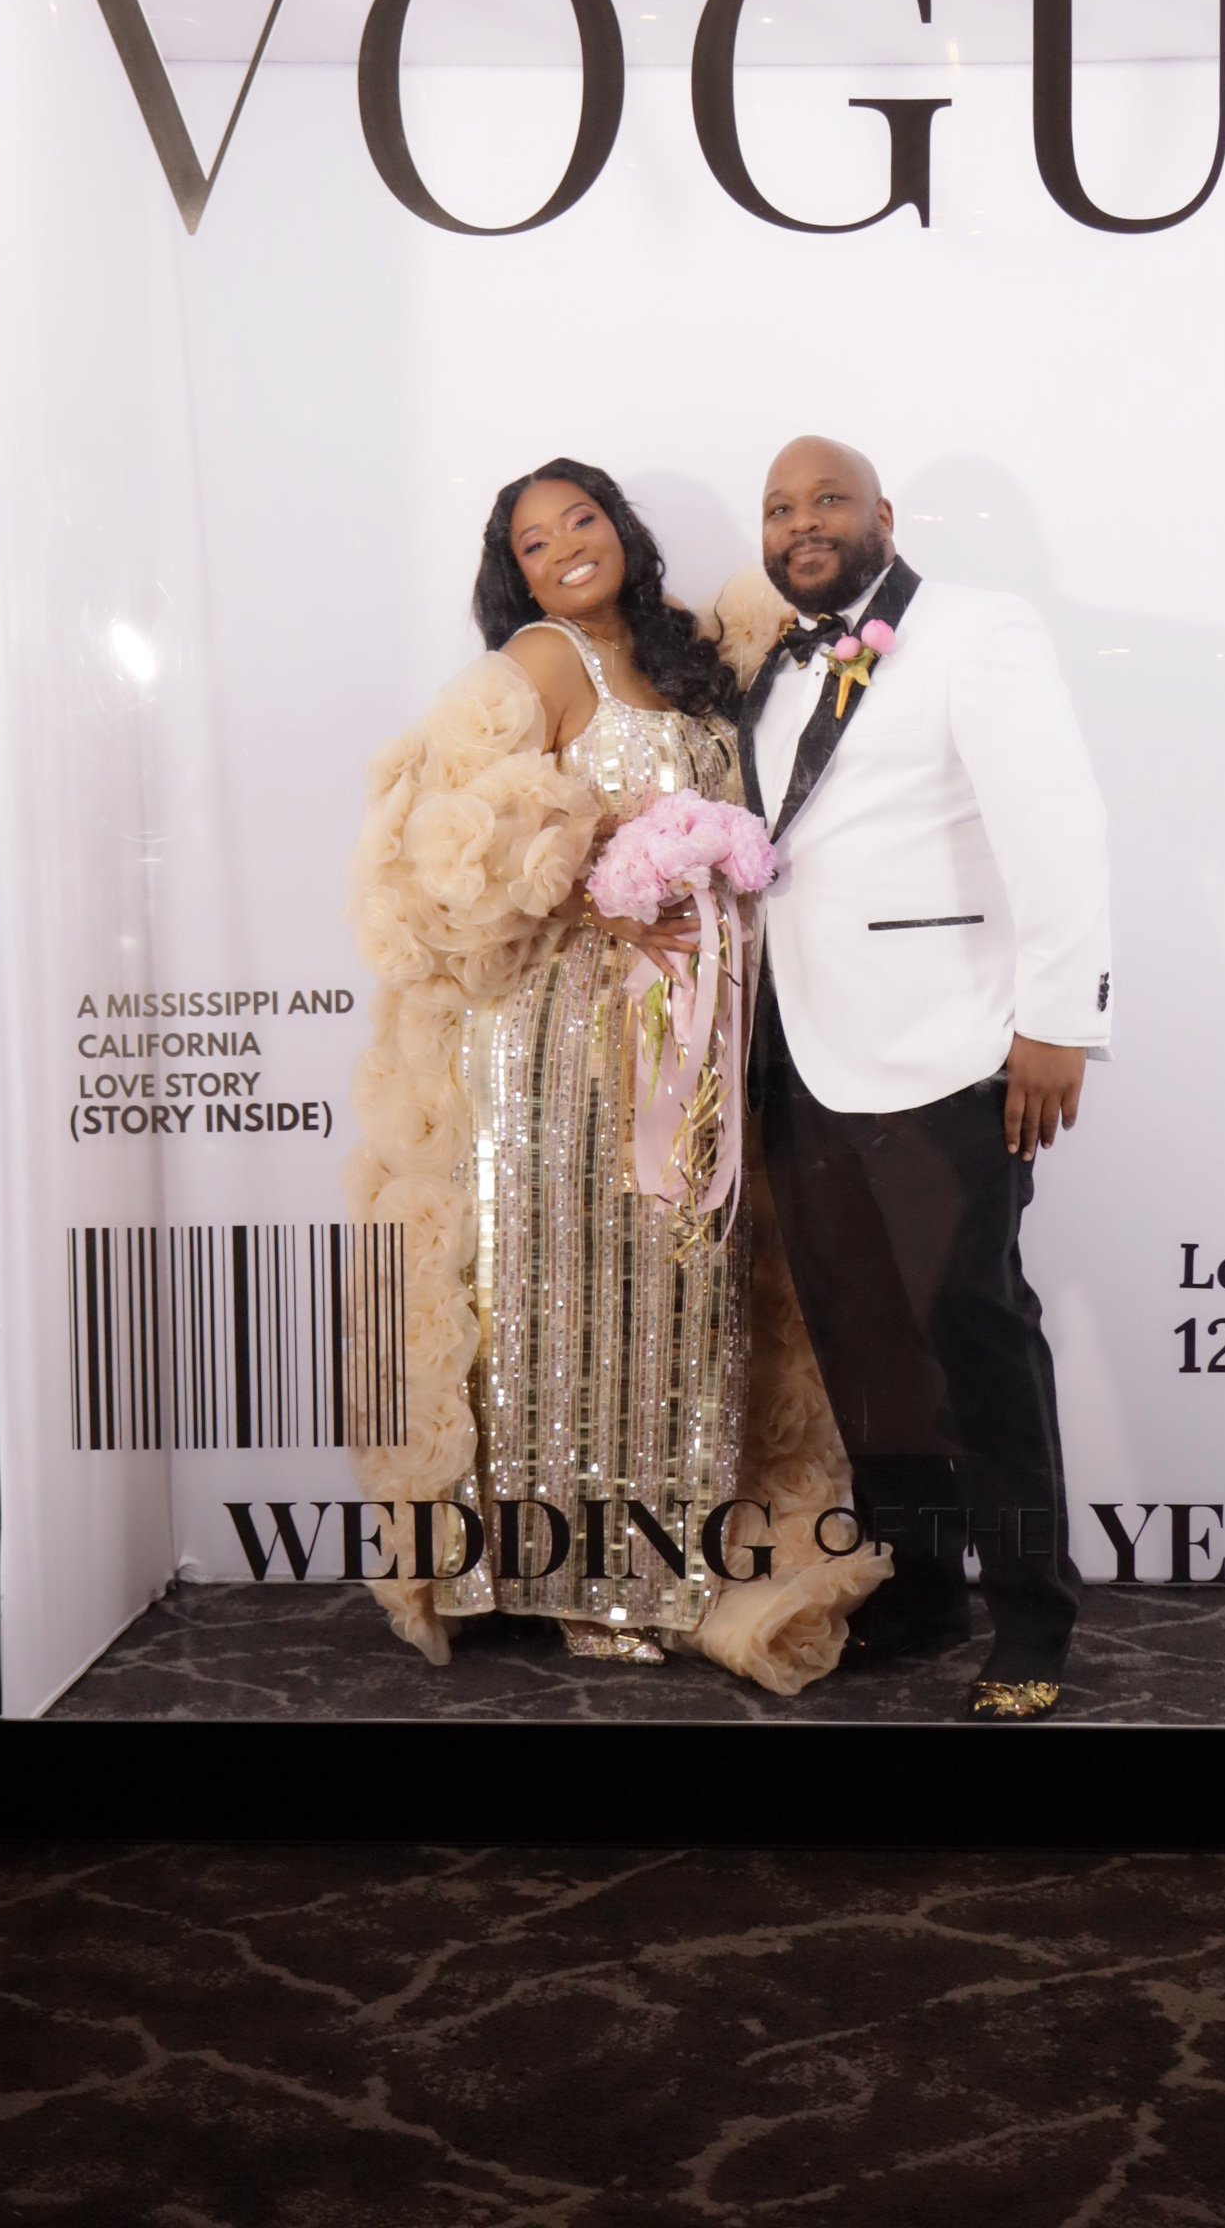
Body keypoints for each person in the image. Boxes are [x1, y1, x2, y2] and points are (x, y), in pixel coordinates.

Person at [346, 460, 885, 1689]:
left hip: (686, 1036)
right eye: (536, 541)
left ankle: (661, 1563)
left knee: (679, 1295)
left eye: (581, 519)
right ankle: (571, 1576)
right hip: (560, 1041)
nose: (566, 548)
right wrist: (606, 895)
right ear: (518, 573)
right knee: (567, 1293)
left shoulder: (684, 654)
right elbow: (459, 851)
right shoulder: (537, 664)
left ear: (621, 532)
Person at [739, 434, 1111, 1719]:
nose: (803, 523)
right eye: (781, 507)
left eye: (827, 499)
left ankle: (1032, 1613)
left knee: (975, 1337)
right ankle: (917, 1588)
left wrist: (1058, 1020)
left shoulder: (974, 628)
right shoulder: (778, 671)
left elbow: (1055, 820)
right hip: (807, 1056)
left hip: (952, 1047)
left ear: (883, 513)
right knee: (865, 1340)